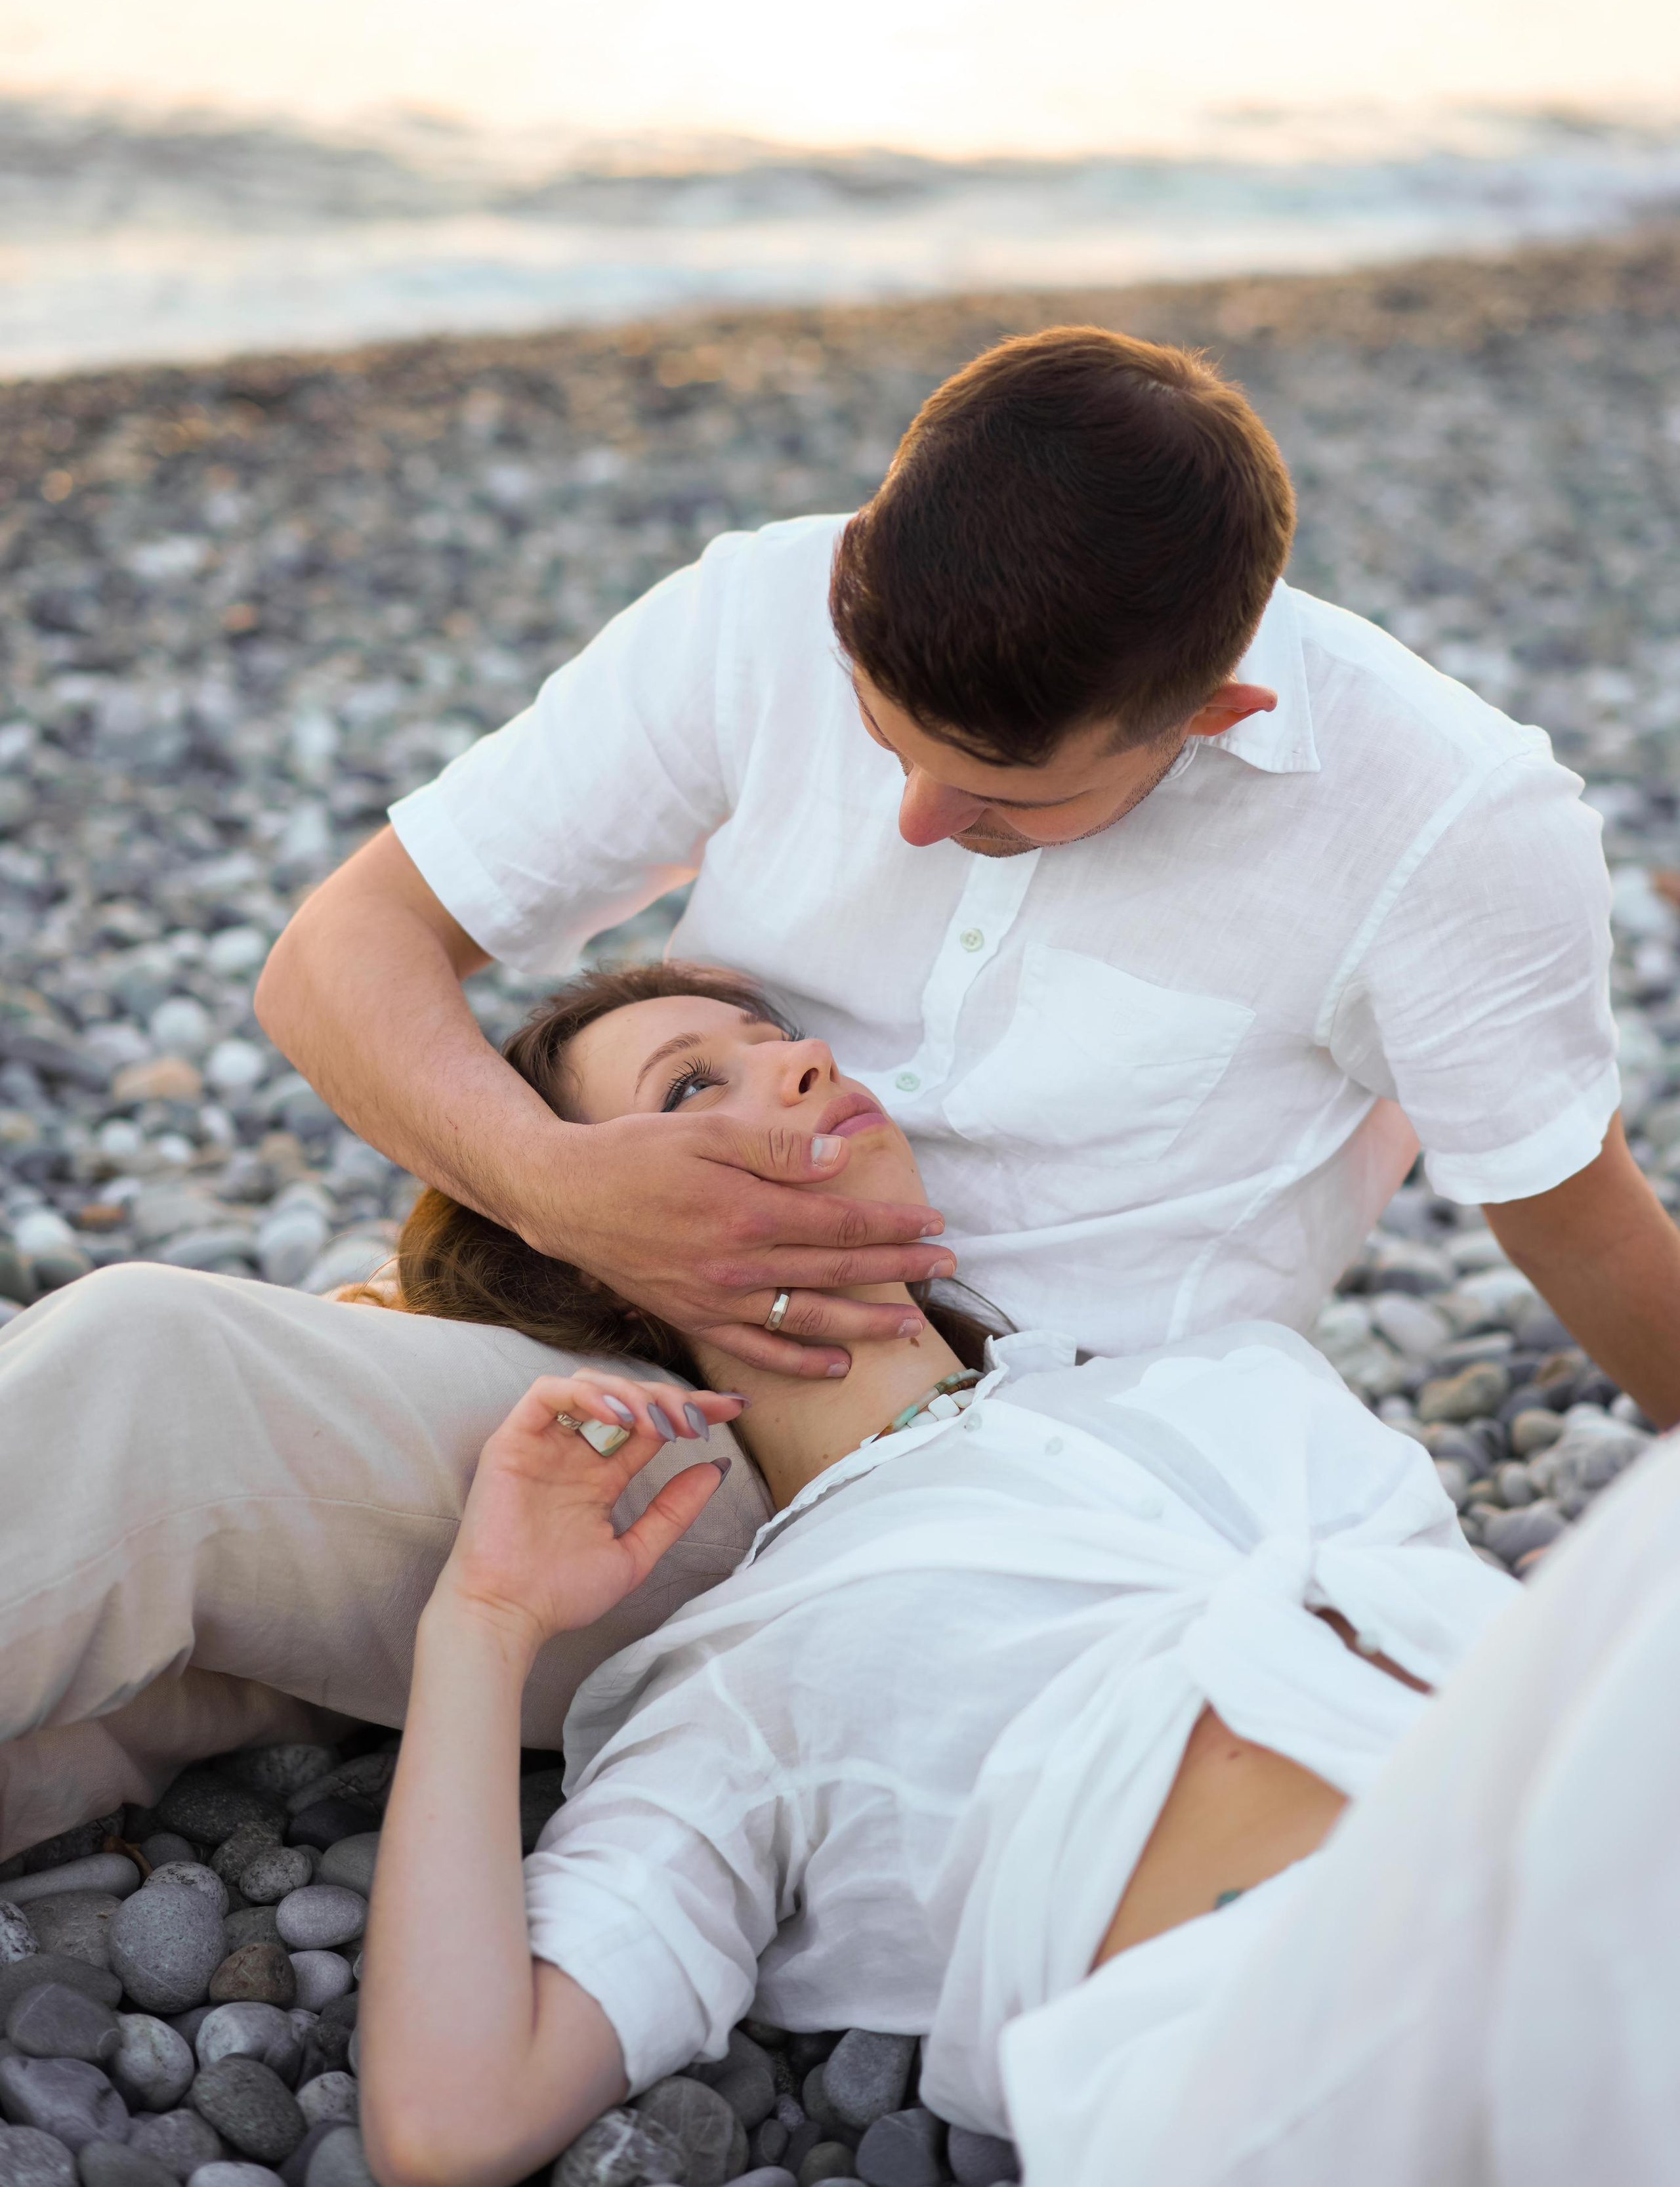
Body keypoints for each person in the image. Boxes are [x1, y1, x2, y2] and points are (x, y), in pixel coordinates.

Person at [5, 322, 1673, 1856]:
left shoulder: (1443, 824)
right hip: (605, 1360)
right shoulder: (759, 612)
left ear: (1210, 715)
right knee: (111, 1668)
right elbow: (339, 952)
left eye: (1003, 803)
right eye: (889, 748)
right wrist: (555, 1186)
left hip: (961, 1496)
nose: (917, 825)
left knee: (145, 1373)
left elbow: (1582, 1226)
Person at [356, 964, 1678, 2187]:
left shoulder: (1230, 1374)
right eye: (693, 1083)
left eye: (781, 1038)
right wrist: (482, 1616)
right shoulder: (749, 1666)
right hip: (1300, 2027)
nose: (806, 1061)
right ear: (585, 1242)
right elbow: (454, 2113)